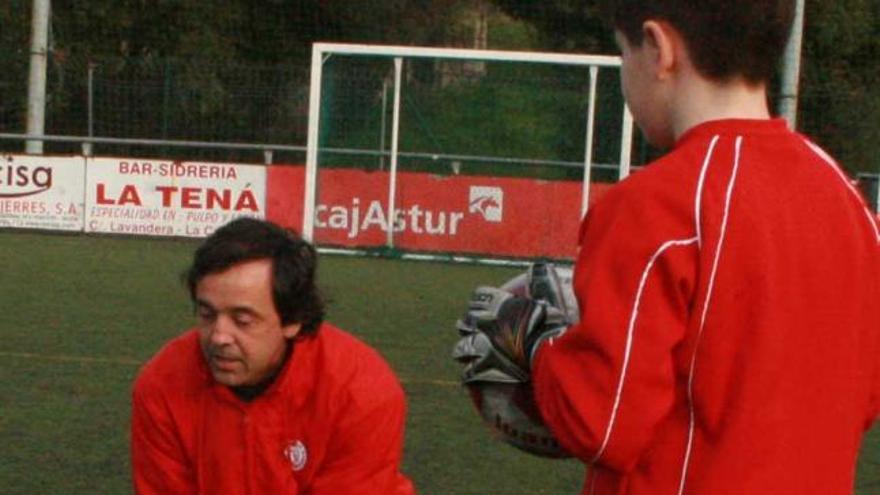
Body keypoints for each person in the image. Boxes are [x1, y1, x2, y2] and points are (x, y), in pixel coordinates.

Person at [456, 1, 880, 494]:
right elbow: (864, 395)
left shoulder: (655, 205)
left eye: (622, 53)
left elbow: (604, 422)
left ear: (658, 49)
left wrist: (532, 344)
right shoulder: (847, 198)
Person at [131, 218, 415, 495]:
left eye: (242, 321)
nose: (218, 336)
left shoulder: (361, 391)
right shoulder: (162, 385)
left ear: (293, 320)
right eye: (207, 314)